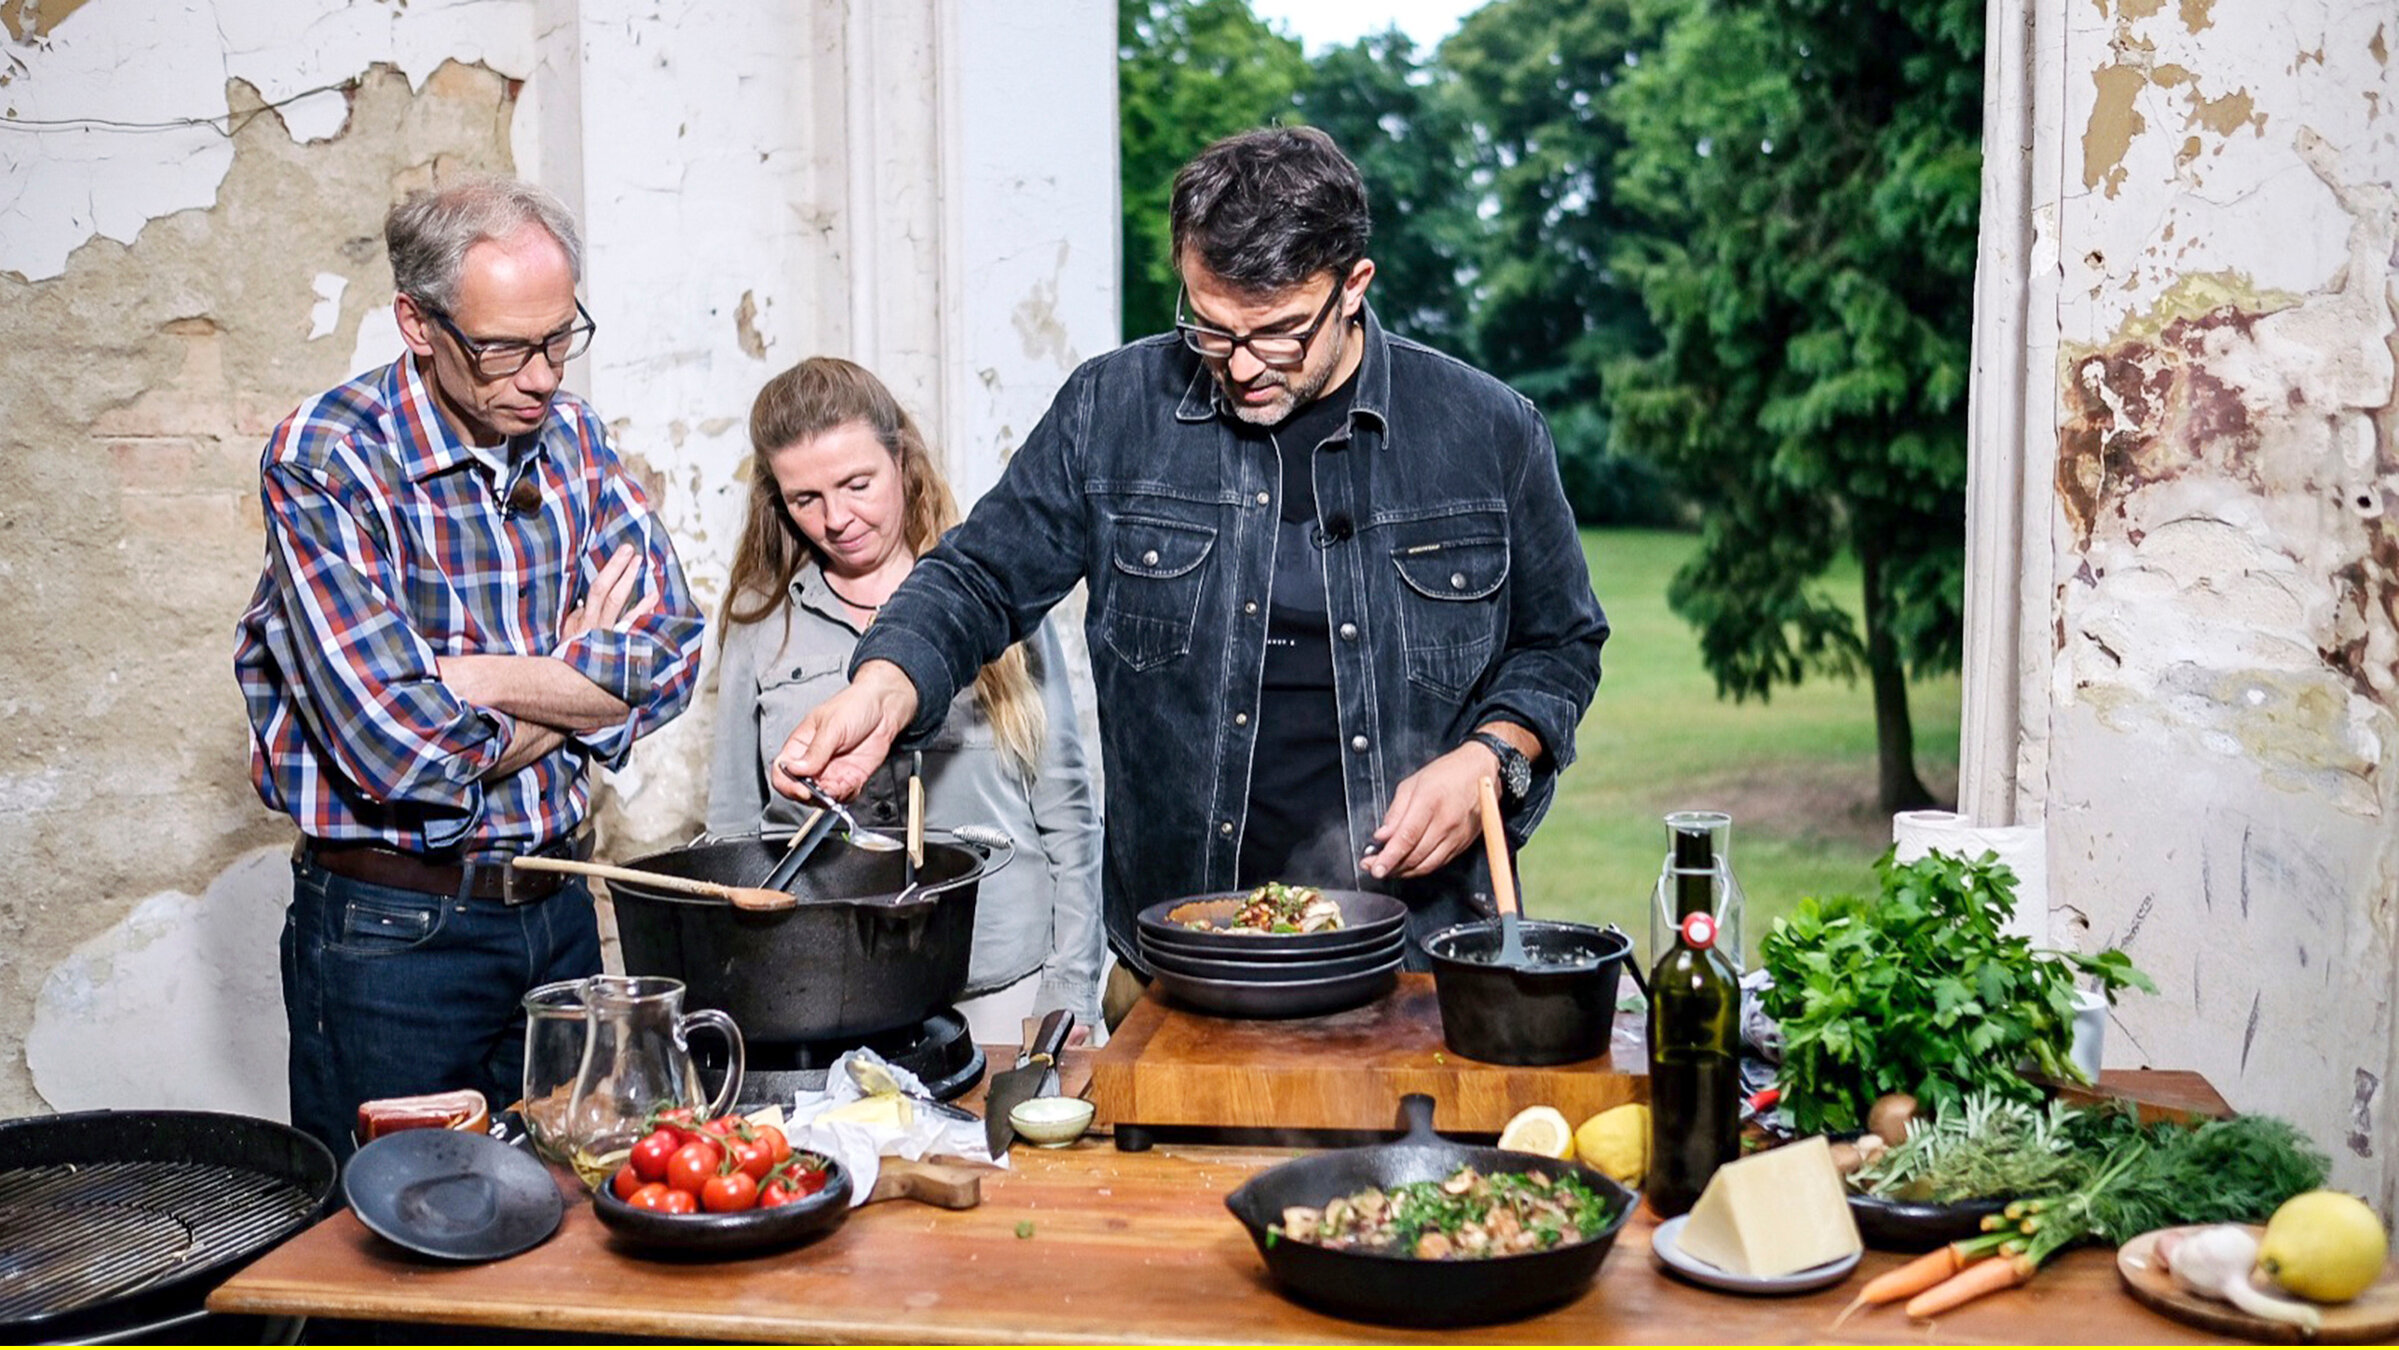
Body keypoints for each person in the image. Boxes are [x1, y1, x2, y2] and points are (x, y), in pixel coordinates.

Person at [775, 126, 1607, 992]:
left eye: (1278, 332)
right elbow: (978, 576)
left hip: (1418, 962)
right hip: (1175, 955)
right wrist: (882, 686)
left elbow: (1559, 645)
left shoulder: (1489, 431)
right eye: (1210, 328)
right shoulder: (1112, 409)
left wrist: (1489, 757)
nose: (1241, 366)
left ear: (1353, 286)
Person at [234, 174, 705, 1160]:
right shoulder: (329, 460)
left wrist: (484, 674)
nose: (540, 376)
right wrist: (578, 678)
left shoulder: (571, 436)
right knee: (399, 1257)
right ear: (417, 322)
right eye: (503, 347)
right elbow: (399, 749)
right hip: (396, 935)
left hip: (561, 908)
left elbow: (668, 655)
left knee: (579, 1216)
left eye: (559, 337)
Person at [706, 357, 1106, 1035]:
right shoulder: (759, 623)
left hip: (1004, 988)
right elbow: (734, 834)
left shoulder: (991, 598)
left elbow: (1070, 819)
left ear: (901, 459)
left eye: (856, 483)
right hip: (830, 996)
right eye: (805, 499)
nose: (836, 518)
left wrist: (1067, 992)